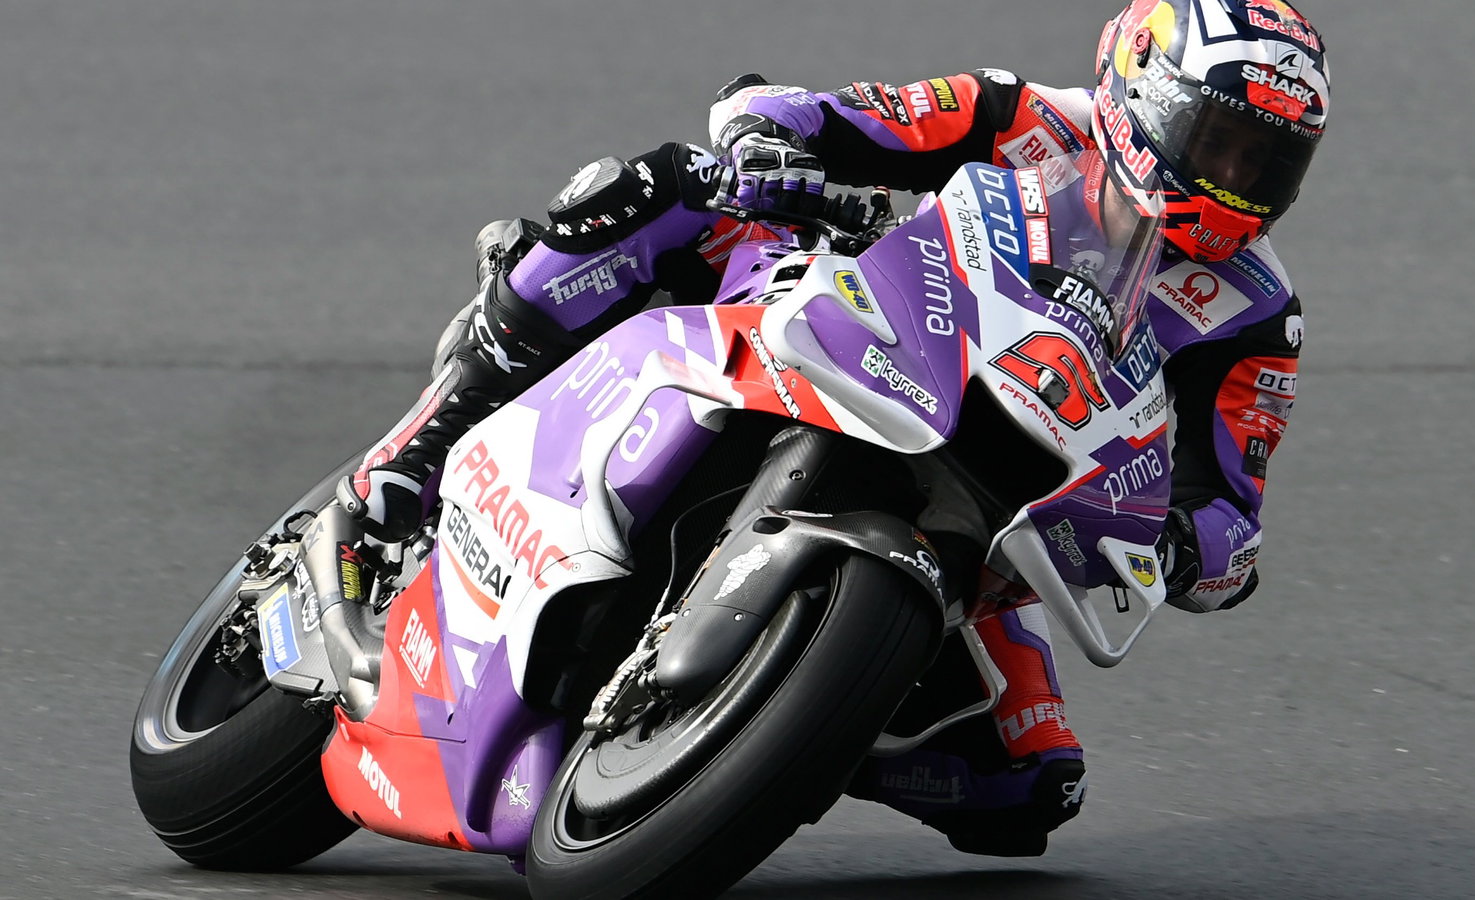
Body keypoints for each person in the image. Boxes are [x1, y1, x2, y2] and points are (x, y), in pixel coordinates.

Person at [333, 0, 1329, 857]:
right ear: (1139, 84)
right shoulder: (1018, 118)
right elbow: (809, 113)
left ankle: (779, 718)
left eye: (1265, 160)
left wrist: (1190, 545)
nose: (1235, 173)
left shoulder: (1253, 312)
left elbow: (1231, 502)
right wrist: (772, 146)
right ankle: (420, 450)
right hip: (850, 337)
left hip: (991, 504)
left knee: (1023, 791)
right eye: (1217, 137)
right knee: (680, 189)